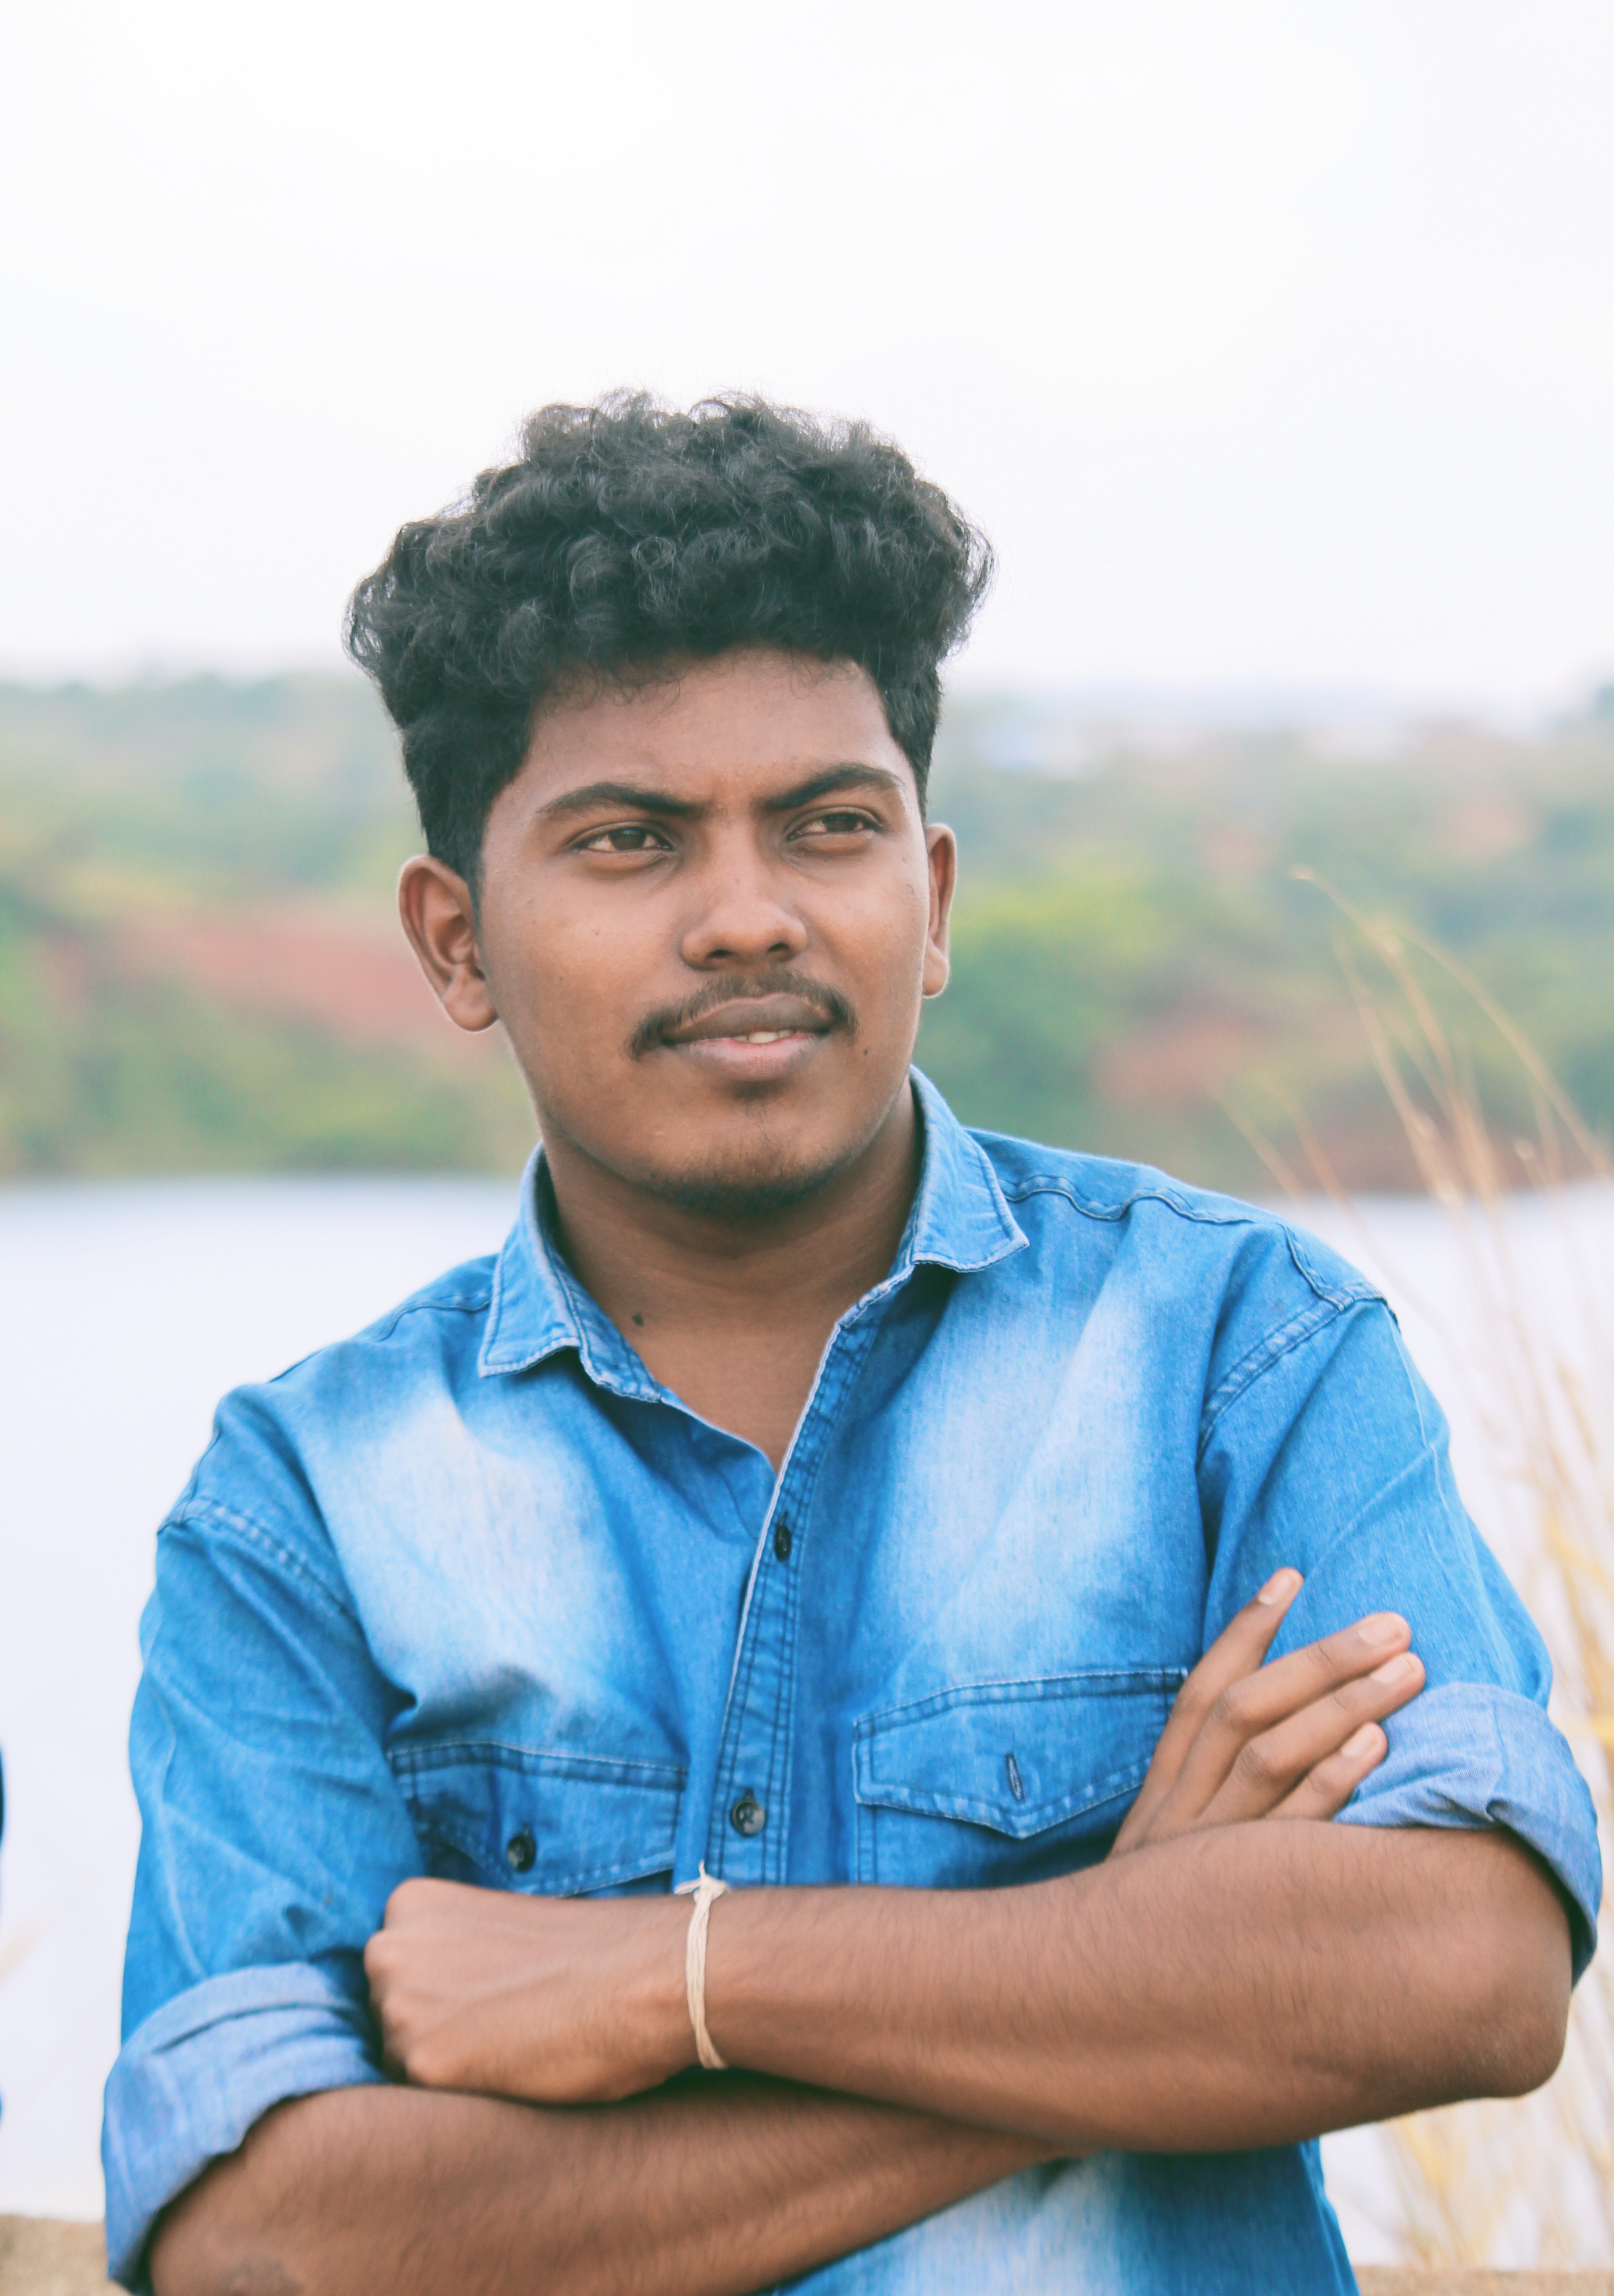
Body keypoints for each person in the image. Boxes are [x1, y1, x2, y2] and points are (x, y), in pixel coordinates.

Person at [107, 396, 1598, 2296]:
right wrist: (1120, 1966)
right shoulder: (306, 1505)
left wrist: (670, 1977)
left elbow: (1463, 1966)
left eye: (827, 827)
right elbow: (265, 2241)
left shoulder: (1230, 1349)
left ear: (933, 895)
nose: (748, 917)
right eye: (630, 842)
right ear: (456, 941)